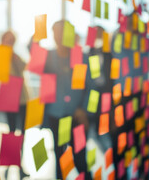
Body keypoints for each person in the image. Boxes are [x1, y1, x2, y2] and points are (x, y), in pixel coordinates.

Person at [42, 20, 89, 180]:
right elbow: (32, 52)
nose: (59, 36)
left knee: (81, 159)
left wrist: (85, 110)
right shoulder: (48, 56)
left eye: (62, 32)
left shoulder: (82, 56)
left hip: (77, 117)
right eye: (55, 32)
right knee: (60, 157)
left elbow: (93, 87)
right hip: (57, 116)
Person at [1, 31, 29, 134]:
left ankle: (20, 147)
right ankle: (13, 149)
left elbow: (25, 67)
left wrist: (15, 58)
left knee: (23, 128)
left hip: (22, 97)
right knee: (11, 127)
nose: (9, 42)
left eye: (11, 40)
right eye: (7, 40)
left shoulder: (16, 56)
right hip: (8, 98)